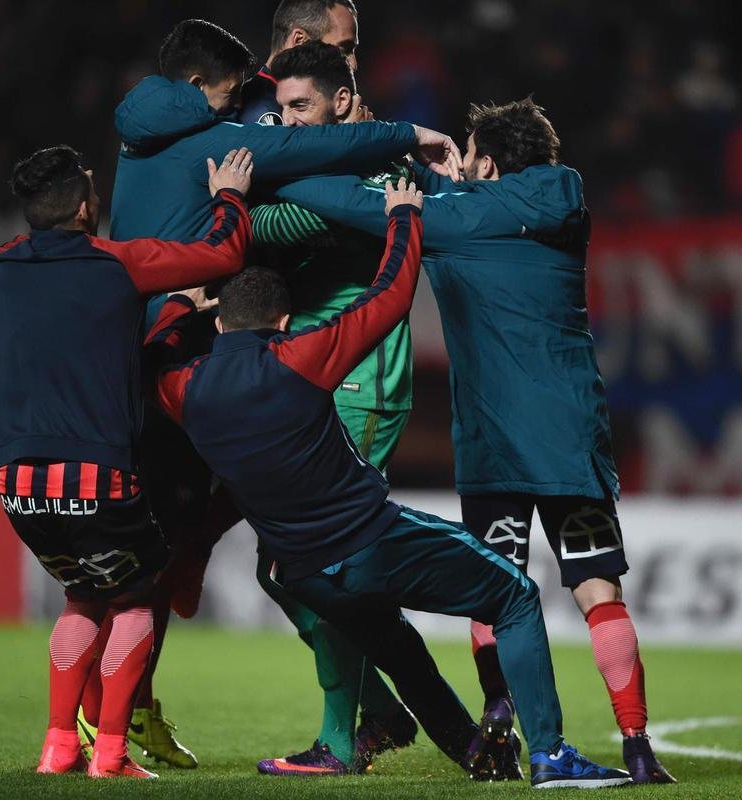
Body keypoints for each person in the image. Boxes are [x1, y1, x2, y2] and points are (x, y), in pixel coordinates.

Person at [148, 177, 631, 790]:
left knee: (396, 645)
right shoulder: (298, 358)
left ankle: (474, 753)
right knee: (515, 597)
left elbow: (155, 352)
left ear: (220, 328)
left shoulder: (183, 389)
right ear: (287, 321)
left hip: (303, 572)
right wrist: (404, 216)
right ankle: (552, 756)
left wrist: (179, 306)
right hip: (372, 542)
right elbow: (390, 297)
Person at [80, 16, 462, 768]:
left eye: (353, 52)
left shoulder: (161, 134)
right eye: (344, 44)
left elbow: (314, 195)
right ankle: (113, 718)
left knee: (279, 560)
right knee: (192, 554)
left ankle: (363, 728)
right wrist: (404, 140)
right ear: (294, 38)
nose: (355, 62)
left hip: (275, 372)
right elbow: (307, 166)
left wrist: (252, 215)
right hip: (257, 368)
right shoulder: (243, 124)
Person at [273, 98, 674, 783]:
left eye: (468, 151)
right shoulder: (565, 198)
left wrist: (282, 169)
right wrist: (443, 176)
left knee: (496, 589)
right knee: (599, 589)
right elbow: (483, 201)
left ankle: (497, 716)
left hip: (493, 448)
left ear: (486, 161)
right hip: (569, 436)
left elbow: (355, 205)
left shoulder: (452, 221)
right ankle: (637, 746)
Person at [0, 144, 252, 779]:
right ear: (82, 209)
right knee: (134, 596)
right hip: (97, 470)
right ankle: (111, 754)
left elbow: (6, 287)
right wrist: (230, 197)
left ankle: (57, 746)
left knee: (80, 593)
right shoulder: (120, 264)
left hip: (17, 481)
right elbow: (225, 256)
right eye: (93, 194)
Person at [248, 41, 418, 777]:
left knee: (321, 565)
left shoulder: (381, 166)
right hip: (307, 378)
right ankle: (378, 709)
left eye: (301, 108)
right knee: (279, 570)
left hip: (361, 382)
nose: (285, 123)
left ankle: (342, 741)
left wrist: (245, 201)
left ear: (345, 102)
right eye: (279, 110)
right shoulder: (319, 158)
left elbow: (285, 229)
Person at [240, 0, 361, 127]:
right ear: (299, 40)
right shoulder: (261, 111)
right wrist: (348, 137)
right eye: (342, 49)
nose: (353, 64)